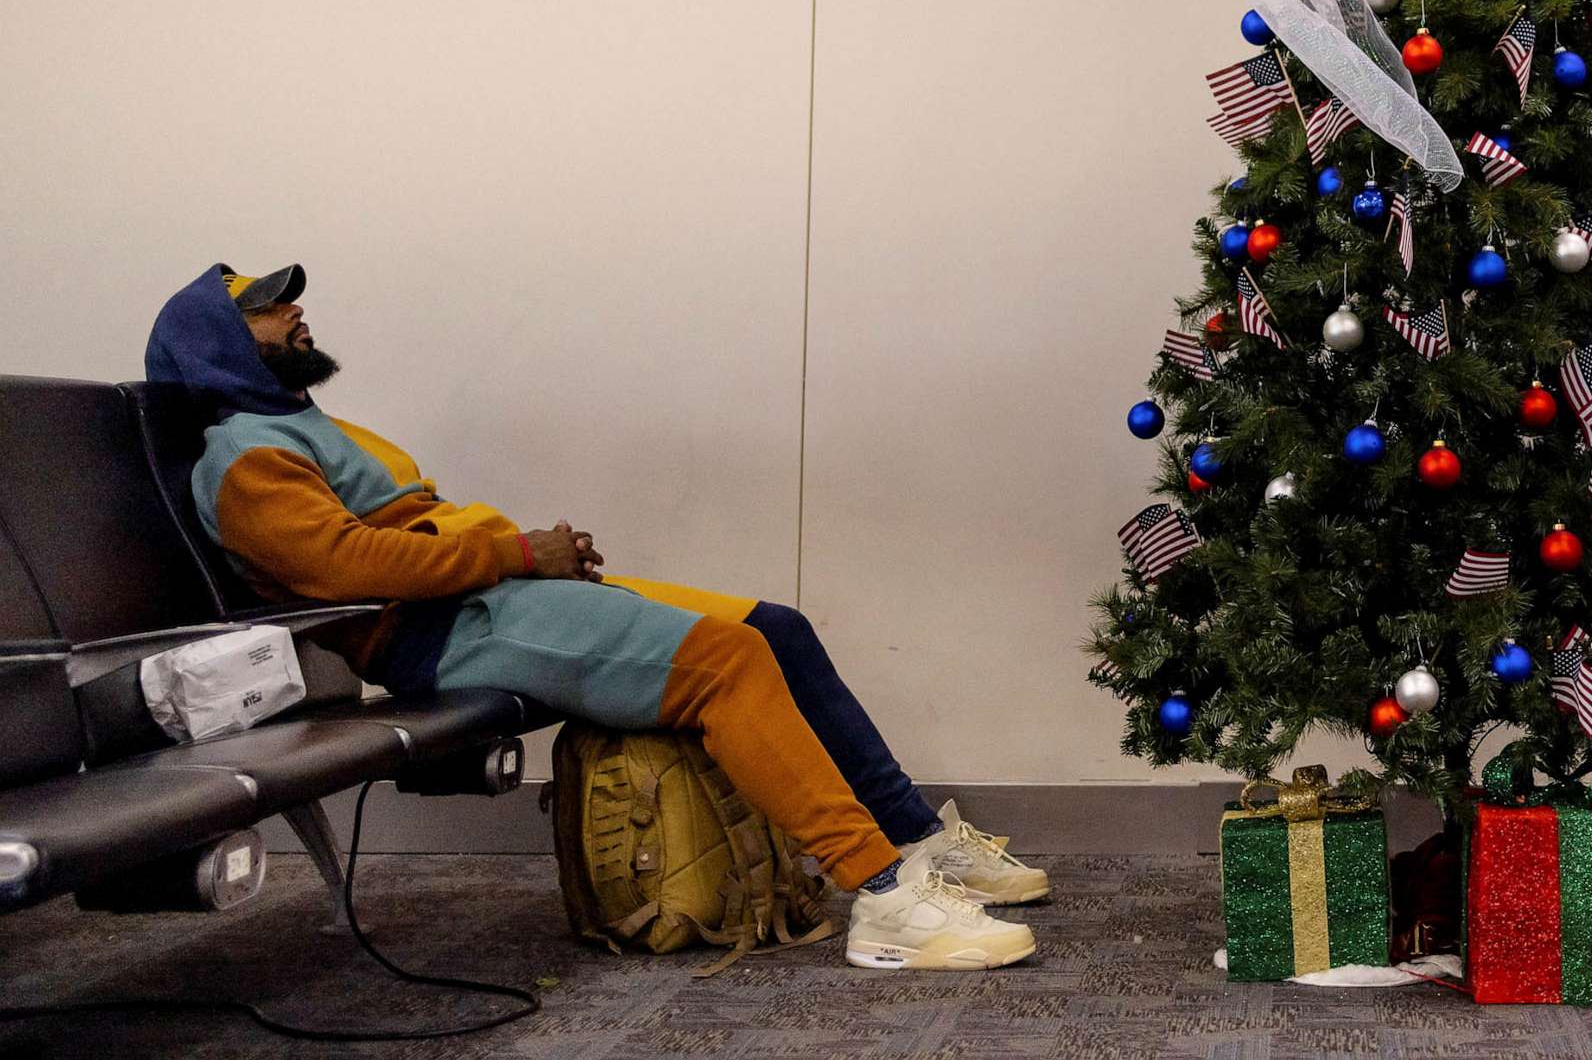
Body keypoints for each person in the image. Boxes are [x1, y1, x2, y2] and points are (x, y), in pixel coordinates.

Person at [145, 261, 1043, 972]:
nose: (296, 313)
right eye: (266, 310)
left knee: (775, 626)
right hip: (451, 631)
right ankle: (884, 897)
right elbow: (350, 566)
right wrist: (516, 553)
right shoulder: (241, 459)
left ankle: (920, 844)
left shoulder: (295, 426)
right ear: (221, 346)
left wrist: (526, 559)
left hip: (492, 600)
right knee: (728, 662)